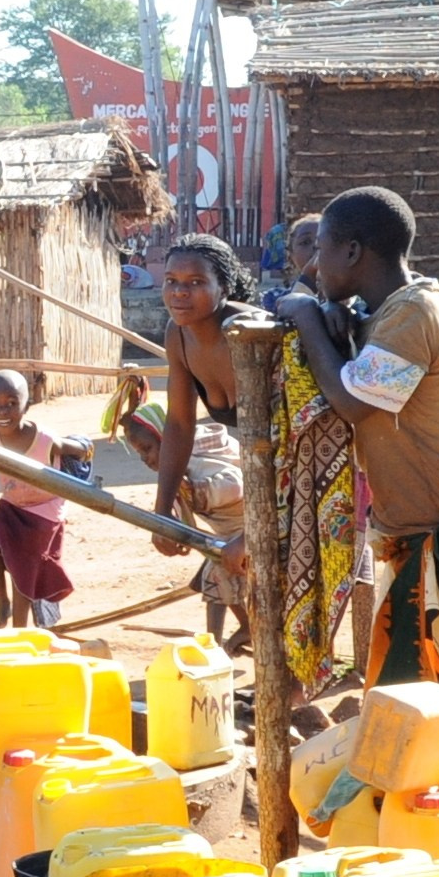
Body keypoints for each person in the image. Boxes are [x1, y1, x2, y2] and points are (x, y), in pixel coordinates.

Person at [282, 186, 439, 769]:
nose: (312, 265)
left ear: (352, 251)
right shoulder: (382, 311)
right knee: (410, 707)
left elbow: (353, 401)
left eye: (319, 249)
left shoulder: (413, 313)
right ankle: (421, 835)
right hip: (411, 537)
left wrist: (305, 319)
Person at [159, 234, 352, 713]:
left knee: (293, 575)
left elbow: (294, 433)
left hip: (313, 460)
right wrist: (163, 507)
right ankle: (280, 689)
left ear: (224, 287)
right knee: (262, 582)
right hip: (267, 465)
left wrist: (254, 531)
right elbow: (180, 423)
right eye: (171, 282)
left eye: (195, 282)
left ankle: (295, 693)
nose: (179, 293)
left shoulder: (249, 332)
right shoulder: (177, 334)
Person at [110, 383, 249, 646]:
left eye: (147, 448)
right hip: (227, 535)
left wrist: (200, 492)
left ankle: (214, 646)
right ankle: (232, 634)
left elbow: (235, 486)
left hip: (250, 530)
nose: (145, 459)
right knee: (214, 578)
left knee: (216, 576)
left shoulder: (197, 461)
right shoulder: (175, 476)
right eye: (140, 453)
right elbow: (180, 510)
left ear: (167, 439)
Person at [0, 370, 88, 629]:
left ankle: (20, 628)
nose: (3, 412)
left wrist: (84, 446)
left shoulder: (44, 440)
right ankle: (3, 604)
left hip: (44, 510)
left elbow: (76, 448)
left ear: (27, 405)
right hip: (13, 504)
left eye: (12, 404)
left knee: (21, 564)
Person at [259, 213, 320, 313]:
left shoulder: (348, 296)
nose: (316, 246)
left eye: (322, 240)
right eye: (305, 242)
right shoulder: (274, 298)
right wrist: (308, 277)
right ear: (291, 256)